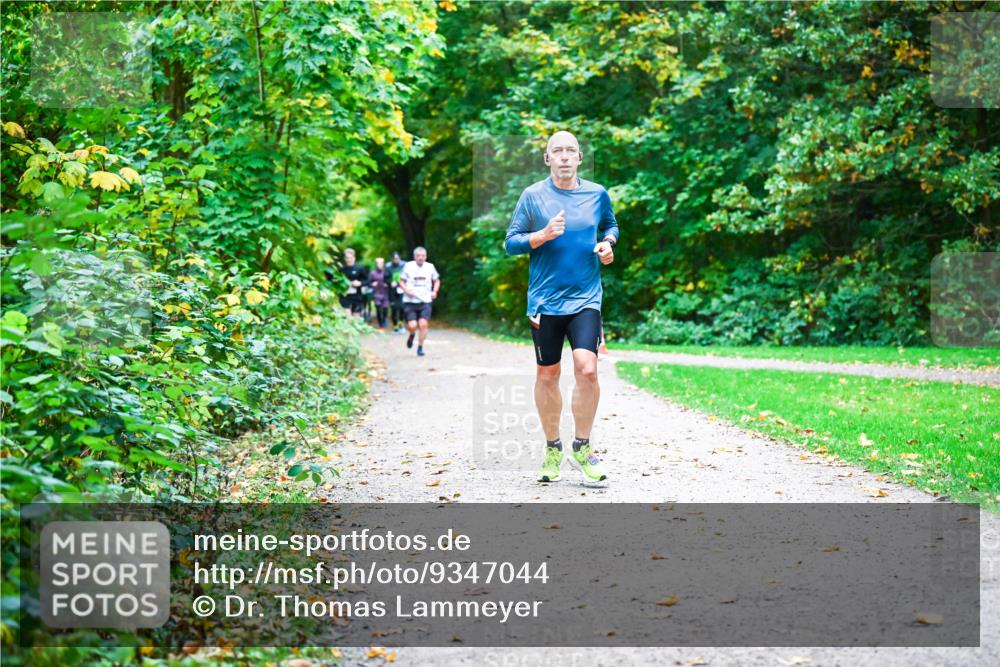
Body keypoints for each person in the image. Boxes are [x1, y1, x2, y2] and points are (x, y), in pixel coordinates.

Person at [504, 130, 618, 485]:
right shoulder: (533, 197)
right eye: (558, 151)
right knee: (548, 375)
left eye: (571, 150)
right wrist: (542, 236)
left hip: (586, 297)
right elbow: (511, 243)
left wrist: (607, 243)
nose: (565, 156)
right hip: (545, 301)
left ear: (580, 158)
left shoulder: (596, 194)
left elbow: (610, 225)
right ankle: (553, 447)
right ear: (547, 158)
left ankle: (583, 447)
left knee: (587, 369)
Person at [398, 246, 440, 357]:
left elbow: (436, 280)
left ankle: (420, 347)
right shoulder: (408, 266)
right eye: (418, 256)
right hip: (410, 301)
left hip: (425, 300)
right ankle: (412, 334)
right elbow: (401, 281)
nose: (420, 258)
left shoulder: (430, 267)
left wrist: (434, 291)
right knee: (412, 325)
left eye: (422, 256)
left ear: (425, 257)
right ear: (414, 257)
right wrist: (407, 290)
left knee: (423, 324)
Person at [338, 248, 368, 317]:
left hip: (357, 296)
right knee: (348, 319)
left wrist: (360, 283)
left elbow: (368, 281)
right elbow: (337, 282)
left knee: (356, 320)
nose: (349, 260)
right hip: (345, 296)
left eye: (351, 258)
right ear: (345, 259)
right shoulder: (341, 270)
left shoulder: (360, 268)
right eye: (347, 258)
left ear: (354, 258)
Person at [369, 257, 391, 331]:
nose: (380, 264)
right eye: (378, 263)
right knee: (378, 309)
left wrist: (388, 284)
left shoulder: (386, 272)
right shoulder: (372, 273)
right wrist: (372, 284)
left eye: (381, 263)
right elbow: (368, 282)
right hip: (376, 294)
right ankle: (381, 325)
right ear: (376, 264)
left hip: (385, 294)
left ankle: (384, 319)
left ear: (383, 264)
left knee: (385, 309)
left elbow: (391, 281)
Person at [387, 251, 406, 333]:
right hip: (392, 291)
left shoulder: (404, 266)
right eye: (394, 258)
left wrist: (401, 282)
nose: (396, 260)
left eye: (397, 258)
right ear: (392, 259)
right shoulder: (388, 267)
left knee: (402, 307)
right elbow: (385, 277)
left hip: (402, 290)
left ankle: (401, 324)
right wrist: (390, 282)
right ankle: (395, 326)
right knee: (394, 308)